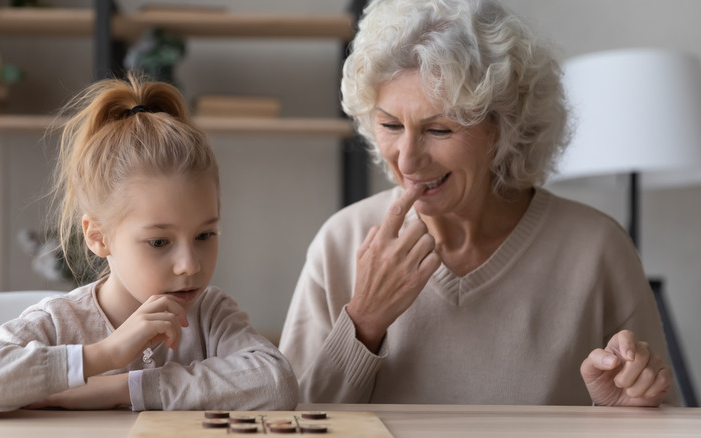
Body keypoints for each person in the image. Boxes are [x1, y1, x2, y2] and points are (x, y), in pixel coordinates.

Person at [279, 0, 675, 407]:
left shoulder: (596, 250)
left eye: (439, 129)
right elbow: (289, 427)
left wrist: (629, 413)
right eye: (390, 125)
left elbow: (663, 417)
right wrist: (362, 323)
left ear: (504, 128)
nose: (408, 159)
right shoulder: (342, 242)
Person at [0, 73, 298, 420]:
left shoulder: (211, 315)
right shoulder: (59, 322)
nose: (190, 264)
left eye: (204, 235)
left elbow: (276, 382)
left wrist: (124, 388)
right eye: (159, 241)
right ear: (97, 236)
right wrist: (103, 355)